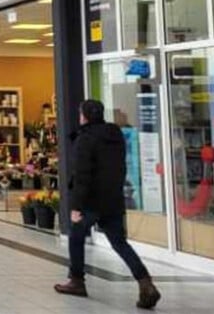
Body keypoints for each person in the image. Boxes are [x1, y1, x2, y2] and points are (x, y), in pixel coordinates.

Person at [54, 99, 160, 309]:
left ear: (85, 116)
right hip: (113, 199)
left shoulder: (85, 138)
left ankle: (76, 280)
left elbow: (82, 174)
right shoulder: (115, 135)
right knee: (119, 243)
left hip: (90, 201)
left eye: (81, 113)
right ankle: (145, 283)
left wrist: (76, 206)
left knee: (76, 237)